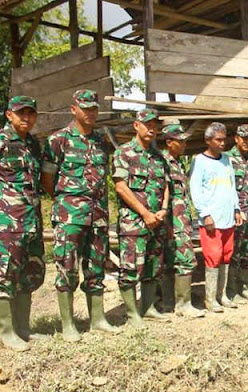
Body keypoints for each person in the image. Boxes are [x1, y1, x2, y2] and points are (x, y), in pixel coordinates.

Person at [42, 89, 120, 341]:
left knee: (96, 266)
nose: (90, 113)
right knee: (67, 268)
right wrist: (66, 201)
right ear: (73, 109)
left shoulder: (100, 141)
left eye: (94, 108)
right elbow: (47, 178)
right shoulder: (59, 139)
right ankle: (68, 325)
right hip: (70, 216)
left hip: (97, 215)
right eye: (85, 108)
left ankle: (97, 319)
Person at [112, 108, 170, 328]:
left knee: (153, 266)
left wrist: (163, 209)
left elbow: (166, 185)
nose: (152, 129)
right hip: (134, 222)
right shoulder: (124, 153)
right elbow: (120, 187)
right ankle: (131, 313)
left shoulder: (158, 157)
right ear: (136, 125)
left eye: (155, 125)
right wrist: (145, 213)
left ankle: (148, 308)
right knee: (130, 269)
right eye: (147, 124)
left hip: (157, 221)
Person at [0, 96, 45, 351]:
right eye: (21, 113)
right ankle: (6, 333)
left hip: (30, 220)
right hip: (6, 222)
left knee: (27, 273)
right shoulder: (3, 141)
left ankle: (23, 328)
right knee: (4, 275)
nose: (26, 118)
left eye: (30, 113)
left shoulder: (33, 144)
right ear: (9, 115)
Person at [190, 122, 243, 313]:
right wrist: (204, 214)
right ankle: (210, 298)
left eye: (224, 139)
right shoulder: (200, 161)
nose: (222, 143)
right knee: (213, 257)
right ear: (208, 140)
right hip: (211, 220)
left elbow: (232, 186)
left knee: (226, 256)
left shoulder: (227, 160)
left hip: (228, 216)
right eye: (218, 140)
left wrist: (236, 209)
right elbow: (195, 190)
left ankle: (222, 295)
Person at [160, 123, 204, 318]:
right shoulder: (163, 162)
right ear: (169, 142)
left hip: (181, 220)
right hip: (172, 222)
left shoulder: (178, 163)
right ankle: (180, 304)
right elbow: (162, 196)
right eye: (180, 141)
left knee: (175, 261)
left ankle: (173, 302)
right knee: (184, 259)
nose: (185, 144)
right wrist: (167, 223)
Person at [227, 124, 248, 304]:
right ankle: (231, 290)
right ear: (236, 139)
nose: (247, 141)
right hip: (234, 216)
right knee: (233, 252)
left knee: (247, 251)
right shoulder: (226, 160)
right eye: (243, 137)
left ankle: (244, 287)